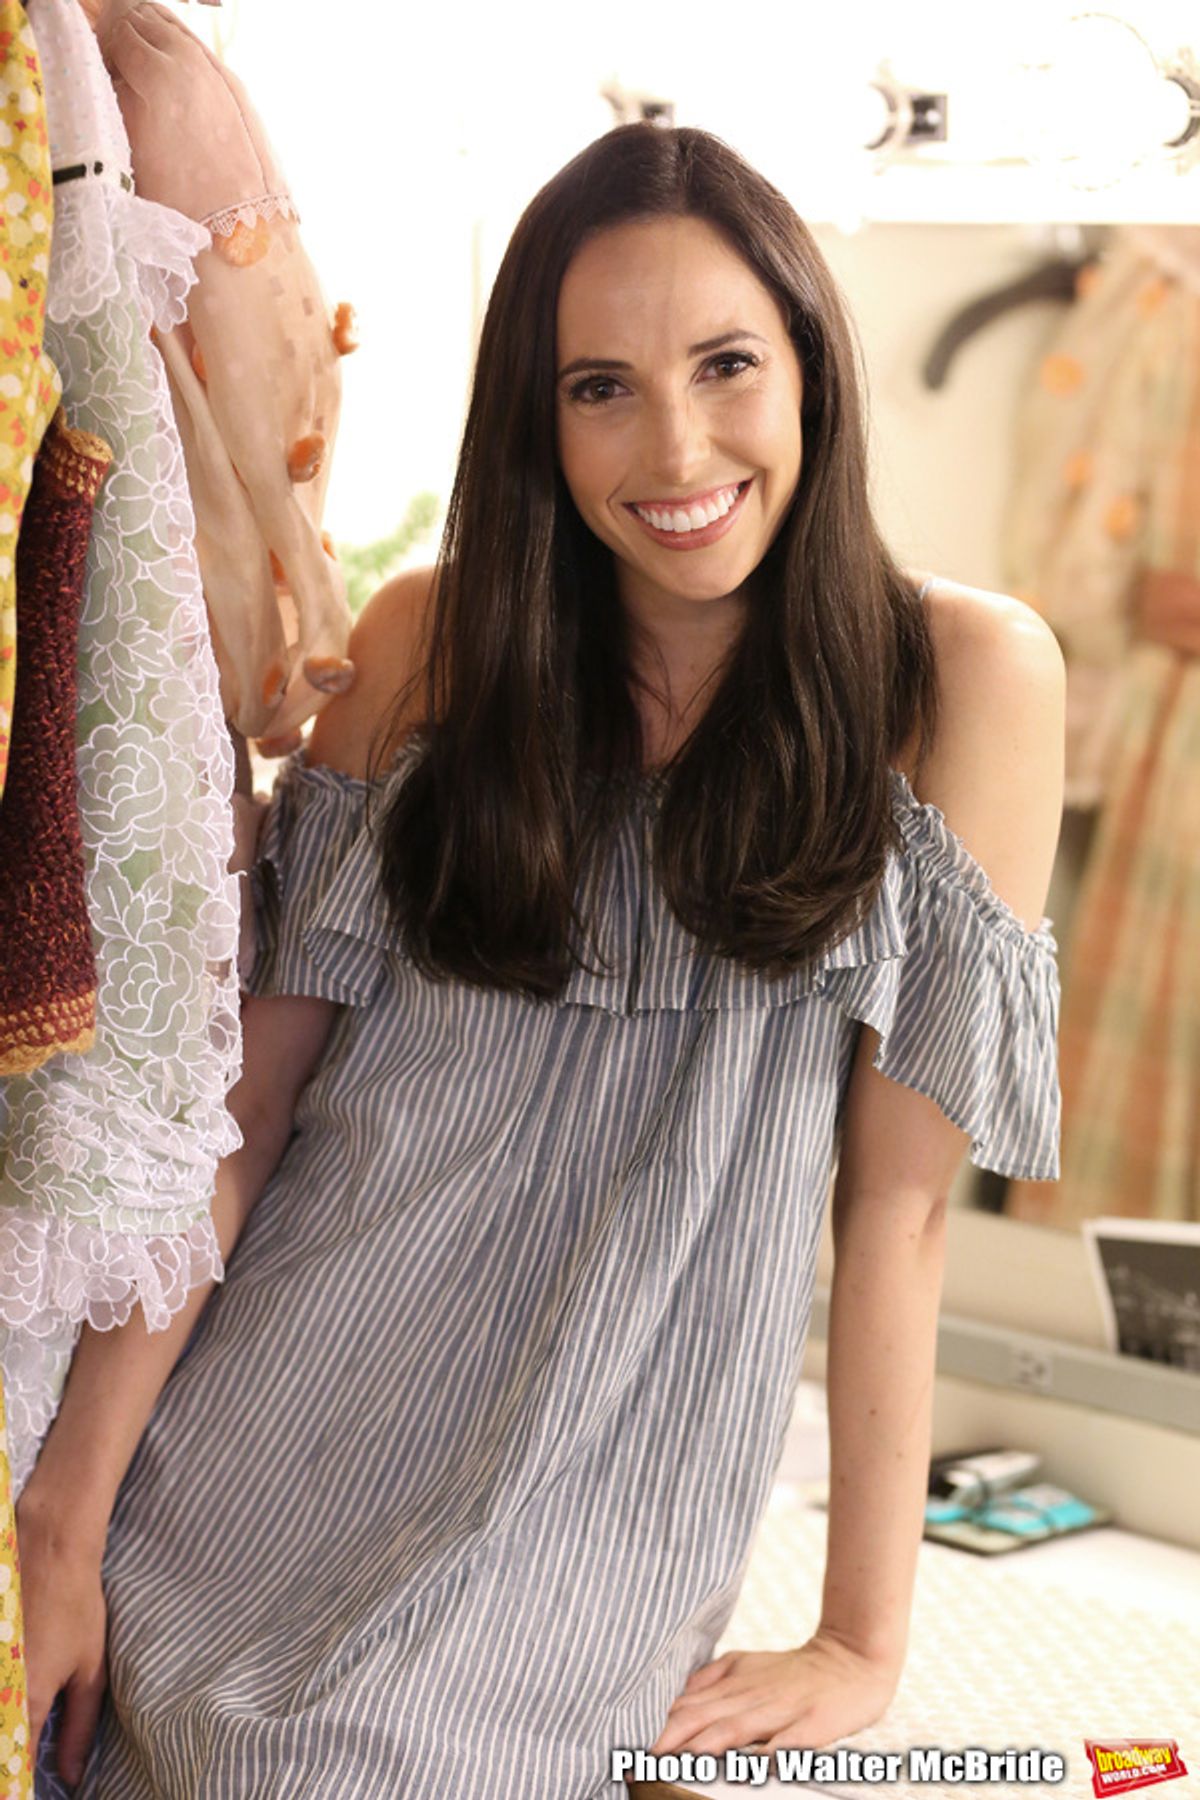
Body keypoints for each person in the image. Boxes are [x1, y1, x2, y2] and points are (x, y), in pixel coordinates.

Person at [17, 122, 1065, 1798]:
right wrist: (63, 1528)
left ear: (811, 363)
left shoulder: (963, 680)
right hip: (246, 1453)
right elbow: (242, 1121)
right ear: (538, 414)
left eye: (727, 364)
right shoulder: (427, 647)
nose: (677, 446)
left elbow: (900, 1212)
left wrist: (861, 1642)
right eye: (601, 388)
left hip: (585, 1521)